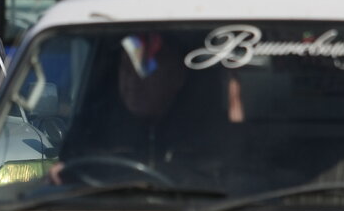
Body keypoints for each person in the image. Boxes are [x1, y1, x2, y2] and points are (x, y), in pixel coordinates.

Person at [49, 33, 238, 186]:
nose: (131, 80)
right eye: (124, 68)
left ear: (177, 76)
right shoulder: (93, 125)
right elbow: (67, 173)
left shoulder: (208, 132)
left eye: (145, 68)